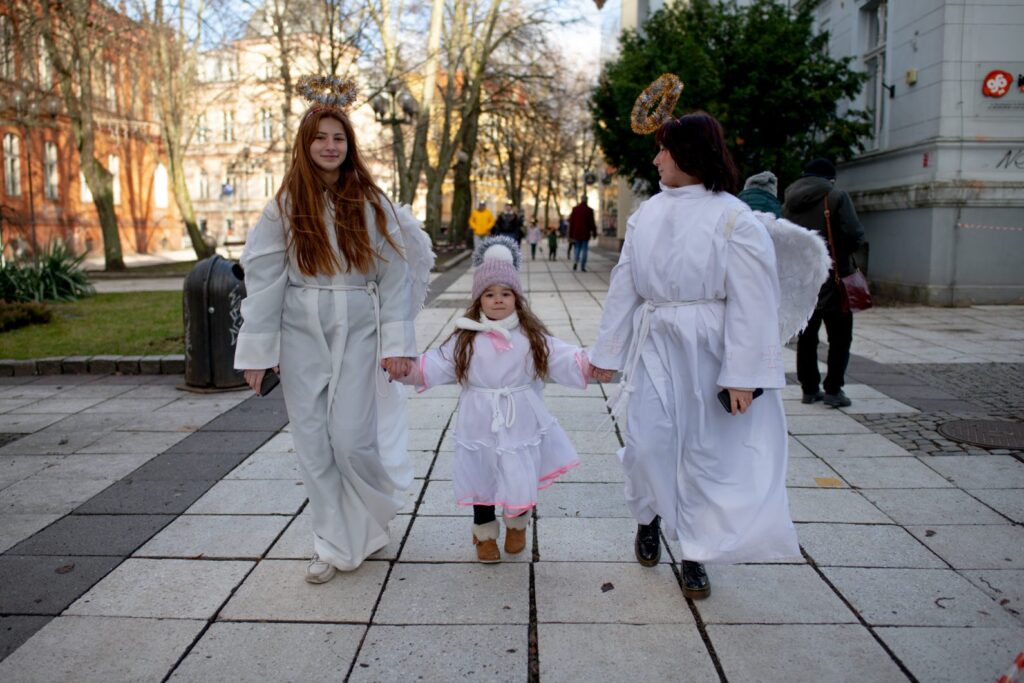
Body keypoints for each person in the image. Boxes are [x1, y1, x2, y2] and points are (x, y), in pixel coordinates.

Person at [588, 112, 800, 599]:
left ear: (689, 154)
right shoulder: (646, 214)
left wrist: (743, 375)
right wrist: (608, 351)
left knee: (701, 452)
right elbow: (625, 285)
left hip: (708, 346)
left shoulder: (733, 216)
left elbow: (753, 300)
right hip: (656, 342)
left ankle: (695, 552)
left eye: (664, 149)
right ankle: (648, 514)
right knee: (647, 443)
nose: (656, 157)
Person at [234, 100, 433, 584]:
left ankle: (369, 514)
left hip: (360, 327)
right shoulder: (284, 205)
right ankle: (330, 541)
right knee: (312, 444)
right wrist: (259, 351)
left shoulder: (370, 202)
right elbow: (263, 279)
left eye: (338, 138)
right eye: (320, 137)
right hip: (301, 330)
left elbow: (394, 276)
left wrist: (396, 343)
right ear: (306, 145)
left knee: (349, 439)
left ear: (349, 145)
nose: (329, 145)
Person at [399, 236, 589, 562]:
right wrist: (405, 368)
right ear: (478, 300)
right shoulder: (466, 338)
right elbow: (438, 363)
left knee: (519, 471)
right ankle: (484, 533)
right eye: (489, 294)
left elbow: (561, 356)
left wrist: (590, 364)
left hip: (519, 417)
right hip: (479, 417)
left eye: (505, 293)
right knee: (482, 474)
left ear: (516, 298)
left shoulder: (531, 335)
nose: (498, 300)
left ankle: (517, 524)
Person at [783, 158, 865, 408]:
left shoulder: (789, 199)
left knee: (806, 337)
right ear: (830, 178)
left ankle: (809, 388)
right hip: (833, 277)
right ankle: (833, 389)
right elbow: (854, 235)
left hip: (802, 280)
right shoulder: (836, 196)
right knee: (840, 337)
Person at [568, 195, 597, 272]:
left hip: (576, 233)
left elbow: (572, 223)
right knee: (584, 250)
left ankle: (575, 261)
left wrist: (570, 235)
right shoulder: (589, 210)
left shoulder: (575, 209)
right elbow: (592, 223)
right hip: (585, 233)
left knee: (577, 248)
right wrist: (594, 233)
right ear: (587, 200)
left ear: (581, 200)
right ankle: (583, 266)